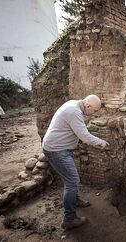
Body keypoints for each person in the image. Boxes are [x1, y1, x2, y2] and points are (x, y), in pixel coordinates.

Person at [42, 94, 109, 230]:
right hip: (57, 150)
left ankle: (75, 200)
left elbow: (77, 130)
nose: (93, 114)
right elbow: (85, 136)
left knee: (71, 179)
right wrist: (101, 142)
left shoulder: (75, 105)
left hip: (61, 148)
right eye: (94, 111)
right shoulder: (74, 111)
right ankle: (69, 219)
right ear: (88, 105)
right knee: (72, 182)